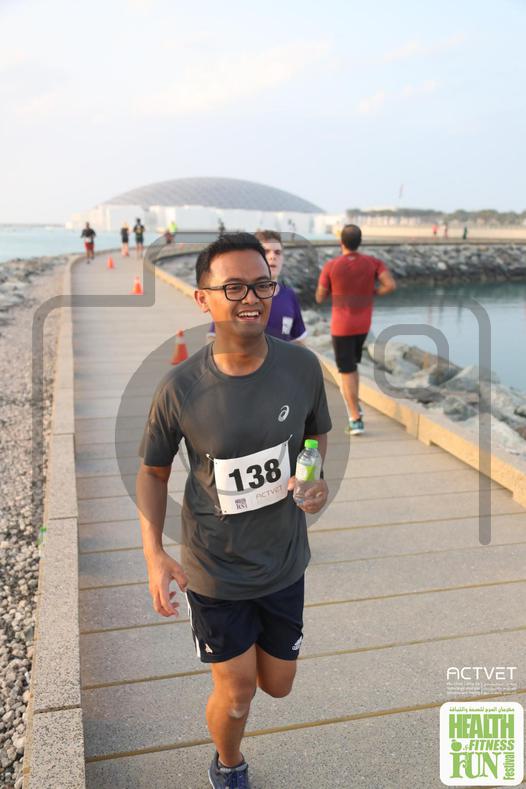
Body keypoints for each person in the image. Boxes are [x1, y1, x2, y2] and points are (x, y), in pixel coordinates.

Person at [137, 232, 332, 788]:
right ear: (203, 298)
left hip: (284, 559)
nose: (252, 298)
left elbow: (314, 434)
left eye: (262, 285)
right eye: (234, 287)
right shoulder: (179, 387)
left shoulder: (301, 367)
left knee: (279, 684)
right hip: (215, 567)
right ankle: (228, 764)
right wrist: (154, 555)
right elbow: (153, 473)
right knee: (239, 690)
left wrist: (313, 479)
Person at [315, 223, 396, 435]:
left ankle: (355, 419)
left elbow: (319, 296)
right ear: (360, 242)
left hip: (342, 327)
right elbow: (390, 285)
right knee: (353, 367)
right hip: (362, 326)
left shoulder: (331, 265)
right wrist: (373, 292)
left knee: (346, 371)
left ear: (341, 242)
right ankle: (356, 406)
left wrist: (333, 291)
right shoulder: (373, 262)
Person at [208, 230, 307, 343]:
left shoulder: (289, 295)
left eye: (277, 252)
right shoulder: (235, 294)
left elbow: (299, 339)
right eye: (266, 251)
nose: (273, 257)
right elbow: (214, 338)